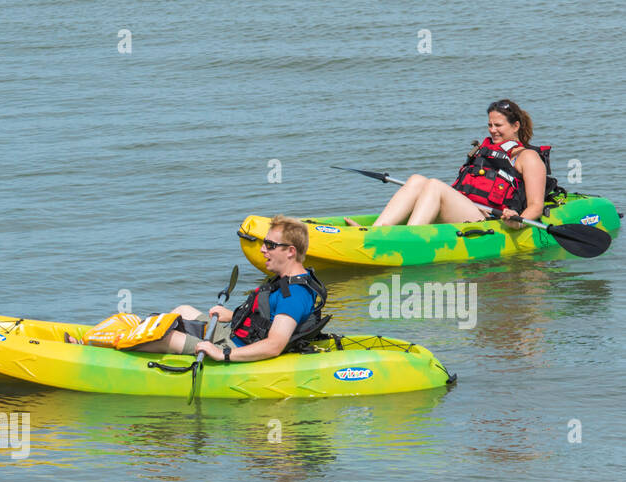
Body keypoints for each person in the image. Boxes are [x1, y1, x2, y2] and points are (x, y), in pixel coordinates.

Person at [70, 216, 326, 363]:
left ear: (290, 251)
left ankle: (92, 349)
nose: (262, 249)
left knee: (164, 337)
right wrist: (230, 316)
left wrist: (223, 354)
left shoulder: (295, 295)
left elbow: (274, 345)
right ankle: (121, 335)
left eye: (269, 244)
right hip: (232, 332)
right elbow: (264, 316)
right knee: (183, 311)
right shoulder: (284, 280)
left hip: (233, 345)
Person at [367, 99, 555, 227]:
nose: (492, 130)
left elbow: (535, 206)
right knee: (416, 179)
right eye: (490, 125)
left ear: (515, 126)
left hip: (487, 219)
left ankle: (409, 238)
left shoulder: (528, 157)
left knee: (434, 185)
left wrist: (518, 220)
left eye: (498, 126)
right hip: (469, 208)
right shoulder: (486, 150)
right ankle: (375, 231)